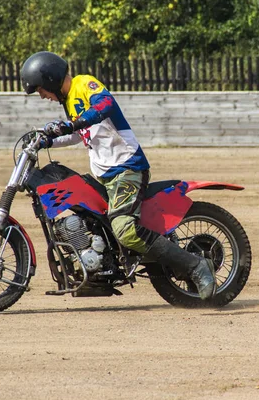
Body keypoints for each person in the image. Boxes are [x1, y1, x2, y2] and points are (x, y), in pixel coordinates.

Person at [20, 51, 216, 300]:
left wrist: (73, 123)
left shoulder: (83, 83)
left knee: (125, 229)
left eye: (40, 90)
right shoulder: (69, 101)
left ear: (49, 80)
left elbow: (106, 104)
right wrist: (46, 139)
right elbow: (78, 133)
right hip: (105, 175)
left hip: (127, 169)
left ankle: (196, 266)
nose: (42, 97)